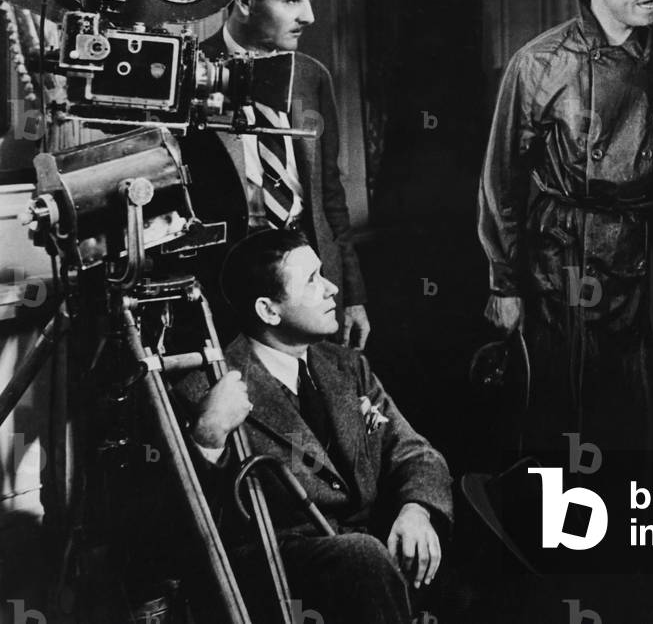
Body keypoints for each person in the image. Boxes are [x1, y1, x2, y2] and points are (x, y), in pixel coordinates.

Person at [477, 0, 653, 462]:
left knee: (652, 413)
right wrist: (503, 283)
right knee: (569, 411)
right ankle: (567, 541)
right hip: (566, 258)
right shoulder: (538, 63)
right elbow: (501, 180)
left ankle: (648, 535)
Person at [174, 228, 452, 624]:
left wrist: (417, 511)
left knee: (466, 513)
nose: (333, 288)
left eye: (323, 274)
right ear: (269, 310)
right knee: (362, 556)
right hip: (285, 572)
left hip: (370, 558)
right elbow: (180, 527)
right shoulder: (207, 389)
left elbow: (414, 451)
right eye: (311, 280)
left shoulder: (346, 365)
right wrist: (208, 436)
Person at [196, 0, 369, 349]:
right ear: (244, 1)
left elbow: (330, 197)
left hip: (309, 289)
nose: (308, 16)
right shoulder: (190, 75)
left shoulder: (312, 77)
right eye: (291, 0)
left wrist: (352, 296)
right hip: (225, 292)